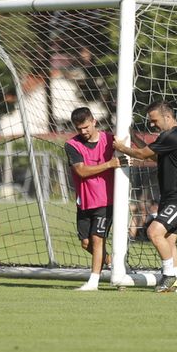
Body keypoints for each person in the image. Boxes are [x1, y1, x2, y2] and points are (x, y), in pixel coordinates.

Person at [113, 101, 177, 293]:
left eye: (154, 120)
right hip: (171, 197)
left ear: (167, 117)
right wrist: (134, 138)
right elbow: (153, 156)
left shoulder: (173, 136)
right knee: (168, 241)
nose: (152, 124)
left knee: (153, 232)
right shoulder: (173, 136)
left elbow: (143, 154)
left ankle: (168, 276)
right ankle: (173, 284)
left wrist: (122, 147)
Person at [64, 107, 122, 291]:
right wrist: (109, 164)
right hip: (84, 201)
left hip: (106, 201)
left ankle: (93, 282)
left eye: (86, 127)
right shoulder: (72, 145)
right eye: (79, 128)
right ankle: (113, 264)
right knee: (86, 243)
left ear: (94, 121)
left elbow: (128, 150)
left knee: (98, 239)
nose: (83, 132)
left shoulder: (110, 139)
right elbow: (81, 170)